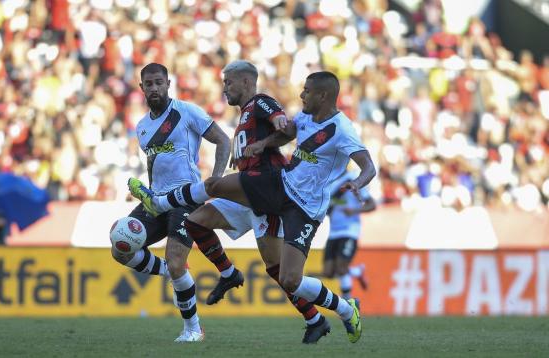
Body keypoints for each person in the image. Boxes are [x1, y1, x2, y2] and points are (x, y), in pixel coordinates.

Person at [129, 71, 376, 343]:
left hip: (301, 205)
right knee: (198, 217)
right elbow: (288, 132)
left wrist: (357, 184)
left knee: (287, 276)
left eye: (307, 91)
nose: (301, 95)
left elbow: (368, 166)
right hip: (278, 190)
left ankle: (340, 309)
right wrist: (263, 143)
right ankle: (229, 273)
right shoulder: (302, 117)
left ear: (323, 95)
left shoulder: (327, 123)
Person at [160, 60, 329, 343]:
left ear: (247, 83)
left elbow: (283, 125)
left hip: (266, 194)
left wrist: (276, 128)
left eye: (229, 82)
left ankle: (316, 319)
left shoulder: (260, 102)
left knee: (277, 270)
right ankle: (229, 273)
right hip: (245, 193)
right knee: (195, 222)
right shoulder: (244, 117)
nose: (225, 88)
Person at [111, 63, 230, 342]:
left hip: (185, 198)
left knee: (177, 262)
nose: (154, 88)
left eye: (158, 83)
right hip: (156, 201)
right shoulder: (141, 128)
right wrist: (149, 194)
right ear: (141, 88)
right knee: (120, 249)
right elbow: (155, 165)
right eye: (148, 84)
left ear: (168, 83)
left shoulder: (186, 112)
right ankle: (170, 271)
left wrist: (214, 182)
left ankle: (193, 329)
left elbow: (223, 141)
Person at [323, 171, 376, 300]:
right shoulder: (327, 181)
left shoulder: (353, 179)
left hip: (349, 231)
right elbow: (328, 207)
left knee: (341, 267)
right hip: (333, 232)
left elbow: (372, 205)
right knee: (328, 272)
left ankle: (347, 302)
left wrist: (354, 210)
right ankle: (357, 272)